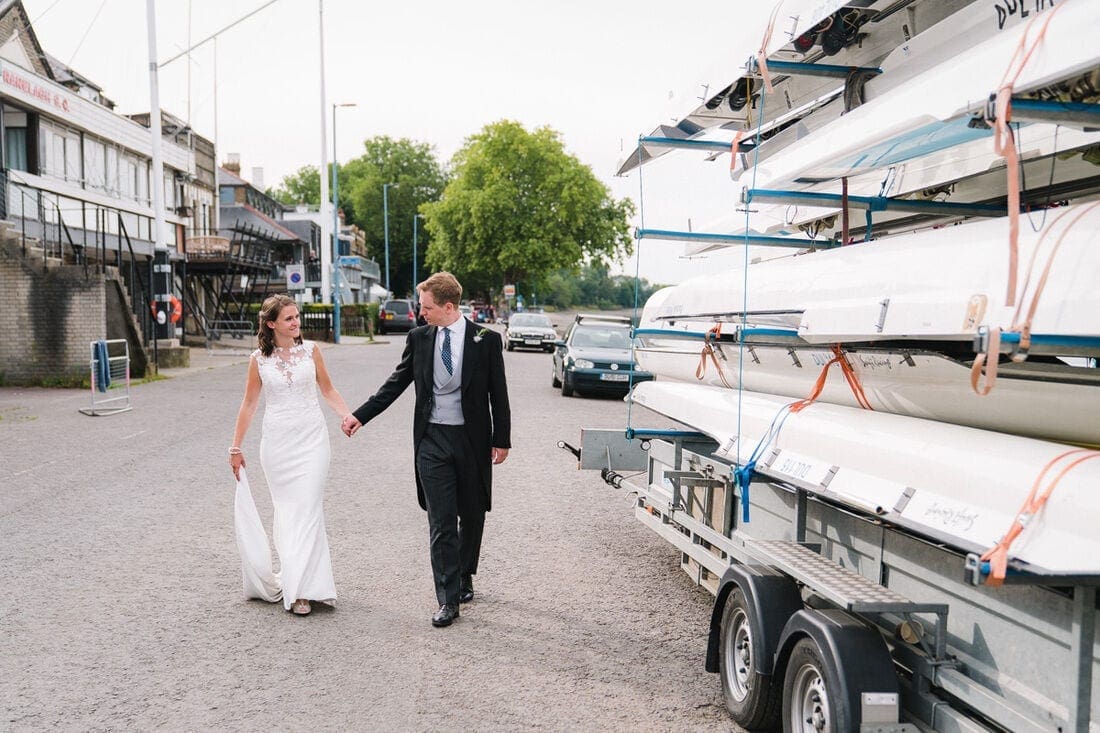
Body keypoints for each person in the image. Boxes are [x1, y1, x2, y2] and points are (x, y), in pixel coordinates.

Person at [342, 272, 511, 628]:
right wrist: (361, 415)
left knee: (473, 513)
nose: (422, 313)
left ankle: (465, 574)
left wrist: (502, 438)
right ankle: (448, 600)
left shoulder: (486, 340)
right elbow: (396, 382)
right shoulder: (419, 338)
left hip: (471, 441)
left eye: (427, 307)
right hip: (431, 441)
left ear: (449, 307)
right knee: (441, 521)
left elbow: (499, 393)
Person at [230, 293, 353, 616]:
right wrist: (235, 447)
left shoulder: (312, 351)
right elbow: (250, 404)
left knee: (308, 508)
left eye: (297, 316)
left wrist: (346, 415)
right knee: (287, 513)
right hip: (278, 445)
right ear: (271, 324)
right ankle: (298, 588)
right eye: (289, 318)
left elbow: (327, 389)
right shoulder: (258, 359)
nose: (296, 322)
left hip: (312, 440)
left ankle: (309, 588)